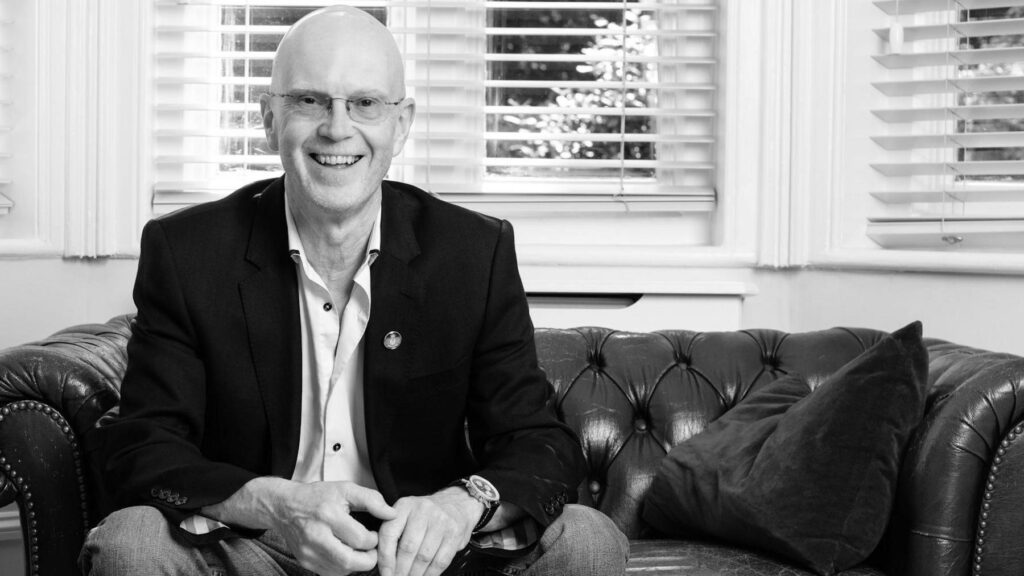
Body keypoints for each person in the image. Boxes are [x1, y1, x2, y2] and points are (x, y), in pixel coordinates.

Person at [79, 5, 628, 576]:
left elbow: (536, 441)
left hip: (420, 557)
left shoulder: (473, 252)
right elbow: (143, 444)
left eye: (365, 103)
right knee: (132, 542)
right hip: (259, 546)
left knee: (587, 538)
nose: (337, 128)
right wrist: (274, 504)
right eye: (309, 100)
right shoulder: (186, 251)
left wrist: (463, 505)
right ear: (270, 119)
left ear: (402, 122)